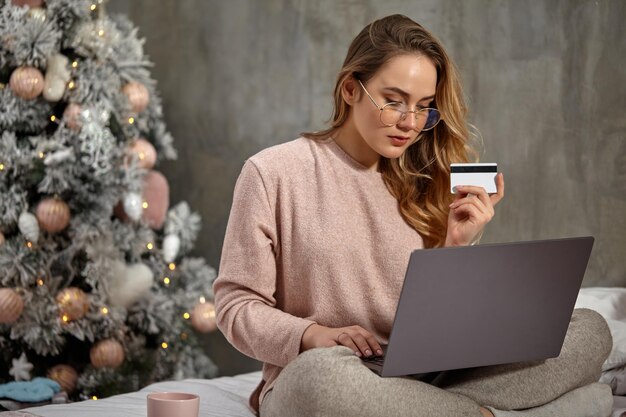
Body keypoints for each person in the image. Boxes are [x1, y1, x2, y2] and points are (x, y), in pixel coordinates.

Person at [213, 14, 612, 417]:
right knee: (321, 379)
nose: (409, 123)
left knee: (589, 330)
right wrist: (312, 335)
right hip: (333, 374)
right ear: (351, 89)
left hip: (427, 378)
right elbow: (235, 305)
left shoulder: (427, 179)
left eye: (423, 108)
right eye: (393, 101)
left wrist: (457, 245)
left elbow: (442, 324)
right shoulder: (273, 172)